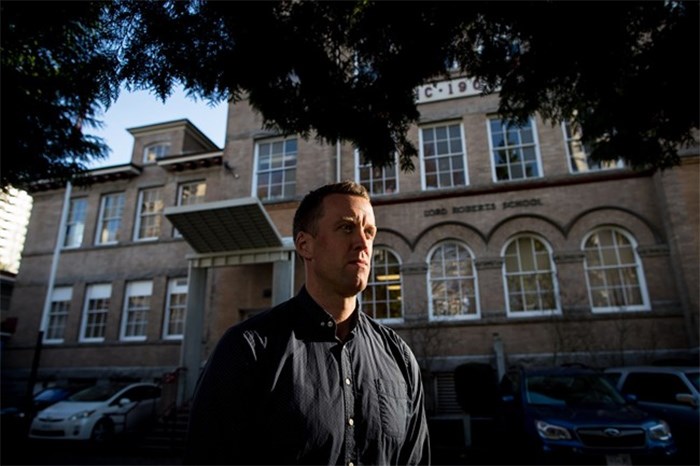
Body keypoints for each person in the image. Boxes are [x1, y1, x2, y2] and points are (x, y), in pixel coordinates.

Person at [184, 180, 430, 465]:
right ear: (305, 245)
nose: (363, 243)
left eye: (370, 232)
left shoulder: (398, 356)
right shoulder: (247, 350)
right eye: (347, 228)